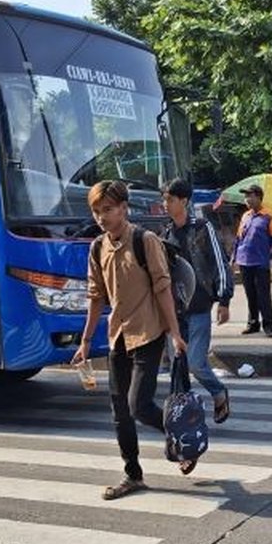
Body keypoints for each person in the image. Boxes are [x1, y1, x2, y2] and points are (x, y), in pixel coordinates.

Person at [72, 180, 190, 500]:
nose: (102, 217)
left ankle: (180, 437)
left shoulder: (145, 240)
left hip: (148, 333)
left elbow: (162, 288)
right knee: (119, 412)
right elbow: (96, 296)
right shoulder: (98, 247)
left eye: (107, 210)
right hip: (118, 337)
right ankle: (132, 474)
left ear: (124, 208)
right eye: (97, 211)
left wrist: (175, 333)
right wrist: (84, 342)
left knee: (138, 404)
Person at [161, 179, 235, 422]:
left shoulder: (202, 228)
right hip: (175, 311)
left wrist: (224, 300)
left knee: (195, 362)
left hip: (200, 307)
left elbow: (220, 263)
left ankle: (218, 391)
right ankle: (185, 413)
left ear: (184, 201)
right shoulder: (166, 234)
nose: (166, 204)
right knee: (178, 365)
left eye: (170, 199)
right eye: (164, 199)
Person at [233, 183, 272, 338]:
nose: (247, 199)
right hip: (244, 260)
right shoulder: (245, 216)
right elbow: (238, 239)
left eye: (250, 195)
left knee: (263, 294)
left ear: (258, 197)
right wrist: (233, 258)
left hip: (261, 261)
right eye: (246, 196)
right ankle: (253, 323)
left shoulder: (269, 215)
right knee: (250, 294)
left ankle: (269, 325)